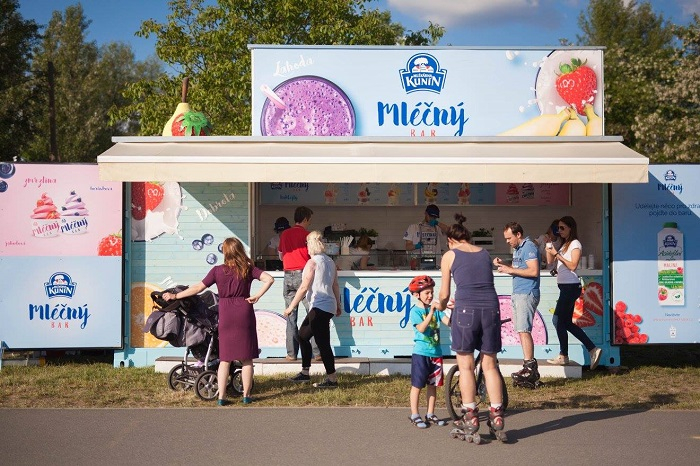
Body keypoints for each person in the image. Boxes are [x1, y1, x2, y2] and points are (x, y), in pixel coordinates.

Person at [162, 237, 274, 405]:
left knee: (225, 359)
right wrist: (257, 295)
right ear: (240, 250)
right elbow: (269, 279)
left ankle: (221, 397)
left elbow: (197, 288)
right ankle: (246, 396)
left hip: (226, 312)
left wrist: (175, 296)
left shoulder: (217, 270)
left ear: (225, 252)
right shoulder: (247, 268)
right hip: (244, 311)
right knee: (247, 358)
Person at [431, 213, 506, 437]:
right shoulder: (484, 253)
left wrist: (441, 305)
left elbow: (444, 293)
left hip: (465, 311)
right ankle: (497, 415)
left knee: (465, 366)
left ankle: (471, 416)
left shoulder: (449, 255)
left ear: (450, 240)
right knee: (489, 366)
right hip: (491, 309)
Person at [285, 230, 342, 388]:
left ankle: (332, 379)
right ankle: (305, 373)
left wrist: (291, 307)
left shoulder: (312, 263)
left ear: (309, 245)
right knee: (303, 336)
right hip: (327, 306)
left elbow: (304, 287)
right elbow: (335, 285)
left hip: (319, 307)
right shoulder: (330, 261)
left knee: (323, 343)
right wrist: (338, 305)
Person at [545, 216, 603, 370]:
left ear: (571, 228)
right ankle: (592, 349)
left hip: (571, 287)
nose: (559, 231)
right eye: (558, 228)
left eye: (562, 228)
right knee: (566, 323)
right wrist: (549, 248)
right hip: (565, 287)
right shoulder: (564, 245)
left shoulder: (575, 244)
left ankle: (564, 355)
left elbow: (573, 265)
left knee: (557, 320)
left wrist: (557, 254)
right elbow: (550, 262)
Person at [493, 222, 541, 388]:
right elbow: (519, 267)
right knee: (521, 330)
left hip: (526, 293)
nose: (507, 241)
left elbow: (534, 271)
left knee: (524, 330)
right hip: (519, 292)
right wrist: (505, 264)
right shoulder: (518, 249)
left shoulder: (529, 247)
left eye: (509, 238)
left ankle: (529, 367)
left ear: (518, 234)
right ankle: (528, 367)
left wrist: (510, 270)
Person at [407, 275, 450, 429]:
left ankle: (430, 413)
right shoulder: (415, 312)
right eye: (427, 293)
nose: (430, 296)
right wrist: (431, 312)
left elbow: (449, 322)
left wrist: (453, 310)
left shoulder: (436, 310)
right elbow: (421, 328)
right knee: (417, 385)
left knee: (433, 385)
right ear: (416, 295)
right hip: (421, 354)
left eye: (432, 292)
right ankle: (415, 414)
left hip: (436, 353)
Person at [278, 206, 320, 361]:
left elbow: (281, 256)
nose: (309, 223)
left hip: (288, 276)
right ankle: (317, 352)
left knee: (290, 316)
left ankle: (291, 353)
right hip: (304, 275)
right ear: (306, 219)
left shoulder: (284, 234)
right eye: (309, 220)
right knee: (312, 314)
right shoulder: (307, 235)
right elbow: (313, 256)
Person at [404, 204, 449, 269]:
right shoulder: (413, 227)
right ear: (425, 214)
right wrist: (416, 246)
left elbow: (449, 231)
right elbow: (407, 247)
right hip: (418, 263)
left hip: (435, 263)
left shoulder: (437, 228)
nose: (432, 219)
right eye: (430, 216)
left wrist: (437, 223)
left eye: (434, 217)